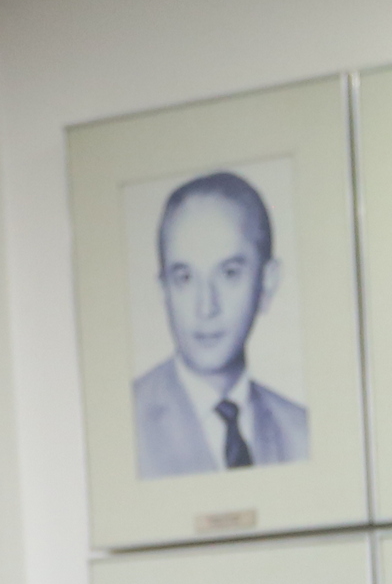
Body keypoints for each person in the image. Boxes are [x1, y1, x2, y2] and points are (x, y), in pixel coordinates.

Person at [132, 172, 309, 478]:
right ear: (164, 289)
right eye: (185, 278)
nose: (206, 307)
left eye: (229, 273)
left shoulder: (302, 432)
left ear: (267, 283)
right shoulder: (123, 425)